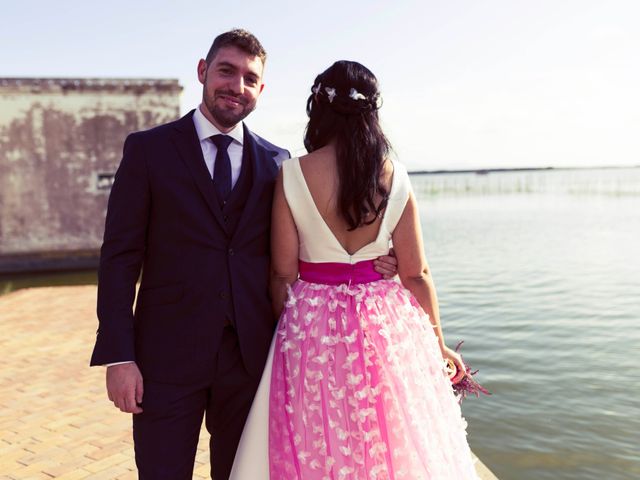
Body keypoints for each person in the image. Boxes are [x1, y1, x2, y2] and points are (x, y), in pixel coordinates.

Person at [90, 30, 396, 480]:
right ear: (202, 71)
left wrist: (374, 262)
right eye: (226, 71)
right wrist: (119, 356)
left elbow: (307, 247)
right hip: (164, 359)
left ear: (261, 90)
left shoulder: (278, 162)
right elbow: (119, 257)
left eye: (250, 78)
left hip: (251, 361)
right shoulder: (148, 150)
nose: (237, 86)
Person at [230, 61, 480, 479]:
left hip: (311, 322)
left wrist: (288, 329)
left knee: (315, 438)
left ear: (320, 109)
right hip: (386, 322)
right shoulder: (395, 175)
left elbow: (282, 274)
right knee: (390, 441)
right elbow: (417, 274)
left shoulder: (292, 173)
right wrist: (437, 344)